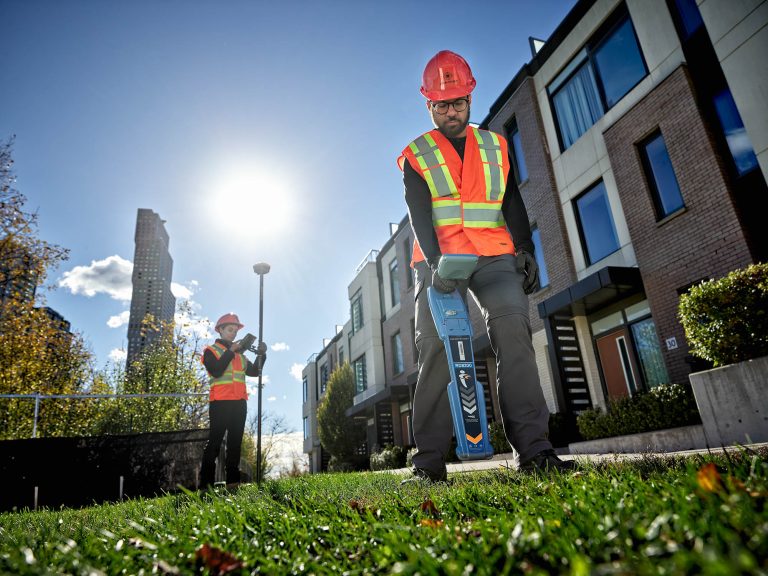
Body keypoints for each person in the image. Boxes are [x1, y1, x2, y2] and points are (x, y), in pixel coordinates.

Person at [397, 50, 575, 481]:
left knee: (514, 334)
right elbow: (419, 214)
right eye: (442, 105)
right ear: (429, 105)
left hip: (494, 254)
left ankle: (535, 452)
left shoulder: (496, 146)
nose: (451, 111)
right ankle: (429, 463)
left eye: (458, 102)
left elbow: (511, 201)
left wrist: (526, 248)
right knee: (436, 350)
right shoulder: (417, 154)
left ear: (470, 99)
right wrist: (438, 264)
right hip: (439, 261)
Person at [199, 312, 267, 489]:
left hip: (239, 404)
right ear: (220, 330)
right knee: (214, 443)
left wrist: (262, 355)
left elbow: (255, 371)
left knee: (235, 444)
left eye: (235, 330)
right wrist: (230, 351)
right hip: (220, 403)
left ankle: (233, 483)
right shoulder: (211, 351)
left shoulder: (240, 355)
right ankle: (205, 485)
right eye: (230, 329)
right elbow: (216, 370)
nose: (233, 333)